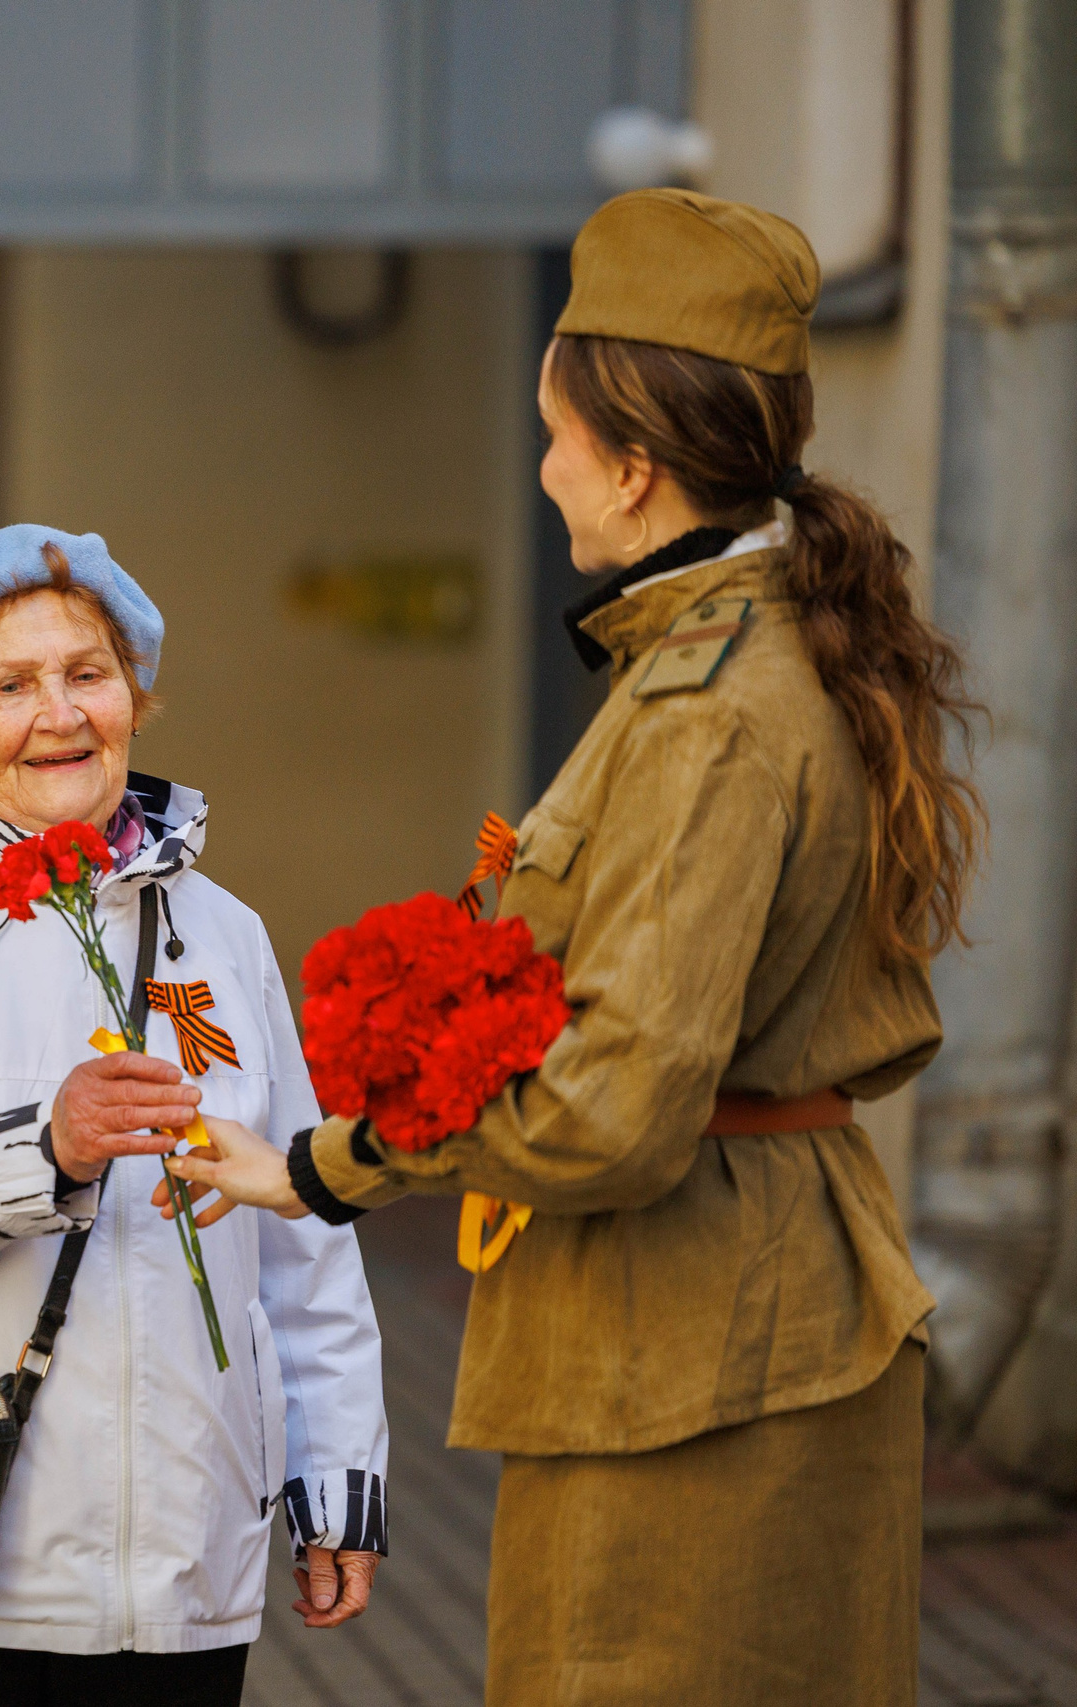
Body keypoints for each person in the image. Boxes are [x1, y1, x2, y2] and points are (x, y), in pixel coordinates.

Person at [172, 190, 983, 1705]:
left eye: (554, 435)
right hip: (720, 1330)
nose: (542, 470)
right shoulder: (740, 652)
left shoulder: (711, 710)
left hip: (692, 1356)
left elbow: (617, 1106)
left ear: (635, 461)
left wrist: (329, 1163)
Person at [0, 524, 390, 1705]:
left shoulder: (222, 931)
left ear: (135, 697)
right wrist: (40, 1154)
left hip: (179, 1563)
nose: (59, 713)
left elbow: (297, 1227)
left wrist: (335, 1477)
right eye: (9, 685)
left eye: (86, 674)